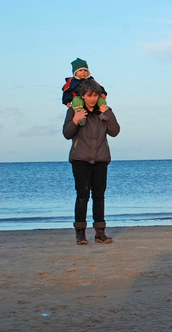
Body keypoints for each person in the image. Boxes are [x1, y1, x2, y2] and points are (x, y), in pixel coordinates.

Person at [63, 79, 120, 245]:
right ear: (83, 95)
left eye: (95, 95)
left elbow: (115, 131)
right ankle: (80, 233)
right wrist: (75, 119)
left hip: (101, 159)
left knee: (99, 196)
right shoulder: (74, 110)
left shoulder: (104, 111)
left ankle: (100, 233)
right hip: (80, 159)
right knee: (82, 195)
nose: (92, 99)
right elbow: (67, 134)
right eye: (89, 95)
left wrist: (107, 112)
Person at [62, 58, 108, 126]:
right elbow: (66, 91)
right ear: (75, 72)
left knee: (100, 100)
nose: (83, 72)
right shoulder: (71, 81)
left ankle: (101, 113)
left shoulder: (90, 80)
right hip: (79, 97)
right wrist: (67, 101)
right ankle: (81, 118)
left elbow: (98, 86)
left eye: (85, 71)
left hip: (91, 97)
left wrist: (102, 93)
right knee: (77, 101)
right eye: (80, 70)